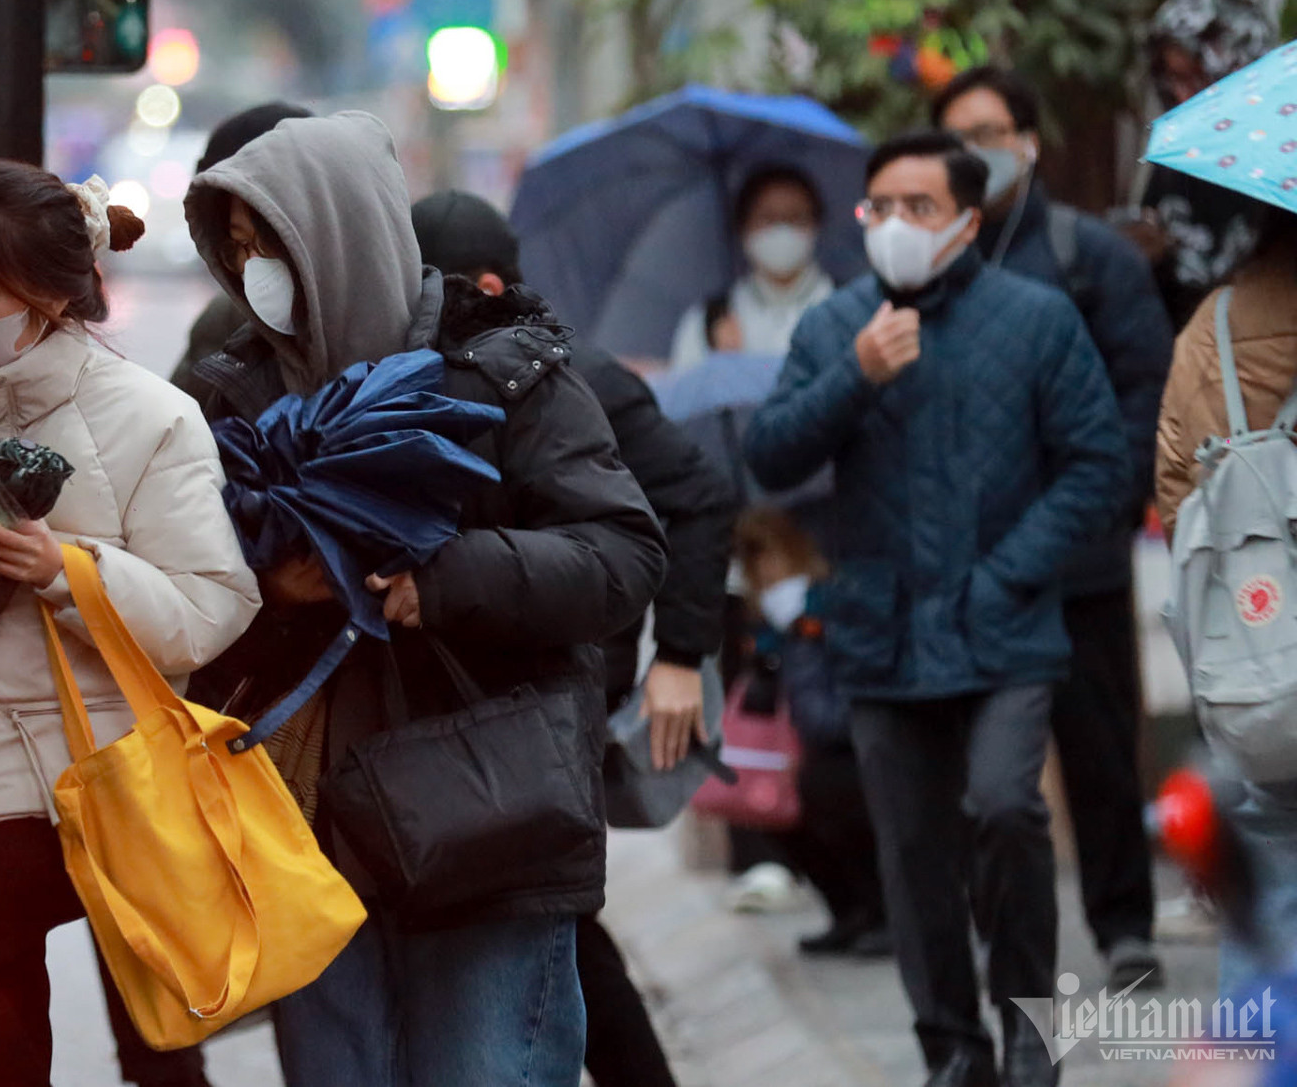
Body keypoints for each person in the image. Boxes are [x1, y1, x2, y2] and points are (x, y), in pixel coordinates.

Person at [184, 113, 668, 1087]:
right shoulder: (231, 394)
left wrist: (441, 580)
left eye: (269, 243)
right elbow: (186, 599)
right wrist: (272, 589)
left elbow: (620, 554)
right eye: (234, 248)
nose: (250, 270)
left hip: (488, 814)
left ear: (340, 235)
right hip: (308, 826)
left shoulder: (505, 372)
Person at [745, 131, 1126, 1087]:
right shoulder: (837, 326)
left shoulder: (1036, 319)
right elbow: (772, 456)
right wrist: (855, 376)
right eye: (881, 207)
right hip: (882, 629)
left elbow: (1096, 465)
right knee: (913, 853)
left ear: (967, 219)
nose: (897, 225)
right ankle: (952, 1048)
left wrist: (1009, 573)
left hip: (1005, 623)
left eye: (919, 207)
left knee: (1005, 807)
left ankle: (1031, 1033)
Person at [0, 162, 262, 1087]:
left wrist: (65, 572)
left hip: (71, 789)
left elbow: (209, 608)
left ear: (52, 295)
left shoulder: (151, 420)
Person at [411, 188, 739, 1087]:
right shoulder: (417, 374)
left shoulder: (568, 377)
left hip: (564, 688)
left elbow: (698, 497)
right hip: (476, 697)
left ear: (482, 286)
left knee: (550, 913)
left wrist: (680, 656)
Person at [932, 64, 1175, 991]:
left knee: (1100, 750)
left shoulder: (1090, 256)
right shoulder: (926, 266)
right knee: (979, 771)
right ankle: (994, 930)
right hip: (967, 569)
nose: (975, 153)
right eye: (957, 138)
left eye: (991, 133)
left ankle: (1125, 927)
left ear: (1028, 143)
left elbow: (1144, 395)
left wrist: (1099, 507)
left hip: (1079, 560)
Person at [1155, 201, 1297, 997]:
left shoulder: (1212, 329)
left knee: (1267, 886)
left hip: (1266, 660)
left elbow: (1181, 509)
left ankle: (1264, 1050)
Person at [731, 506, 889, 957]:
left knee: (833, 796)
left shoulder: (825, 604)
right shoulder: (767, 622)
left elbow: (837, 684)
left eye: (768, 555)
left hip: (844, 736)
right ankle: (850, 911)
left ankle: (880, 912)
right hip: (803, 742)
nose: (764, 569)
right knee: (770, 807)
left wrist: (801, 631)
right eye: (754, 560)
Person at [1122, 0, 1279, 330]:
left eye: (1197, 77)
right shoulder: (1179, 156)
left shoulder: (1281, 160)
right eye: (1173, 78)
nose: (1183, 95)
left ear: (1240, 68)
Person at [169, 101, 314, 402]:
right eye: (237, 244)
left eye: (265, 240)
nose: (251, 264)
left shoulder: (402, 345)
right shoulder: (226, 323)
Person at [670, 164, 835, 371]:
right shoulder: (707, 322)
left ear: (816, 225)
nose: (782, 229)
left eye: (795, 217)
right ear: (743, 228)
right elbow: (682, 388)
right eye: (768, 218)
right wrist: (720, 366)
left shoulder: (845, 311)